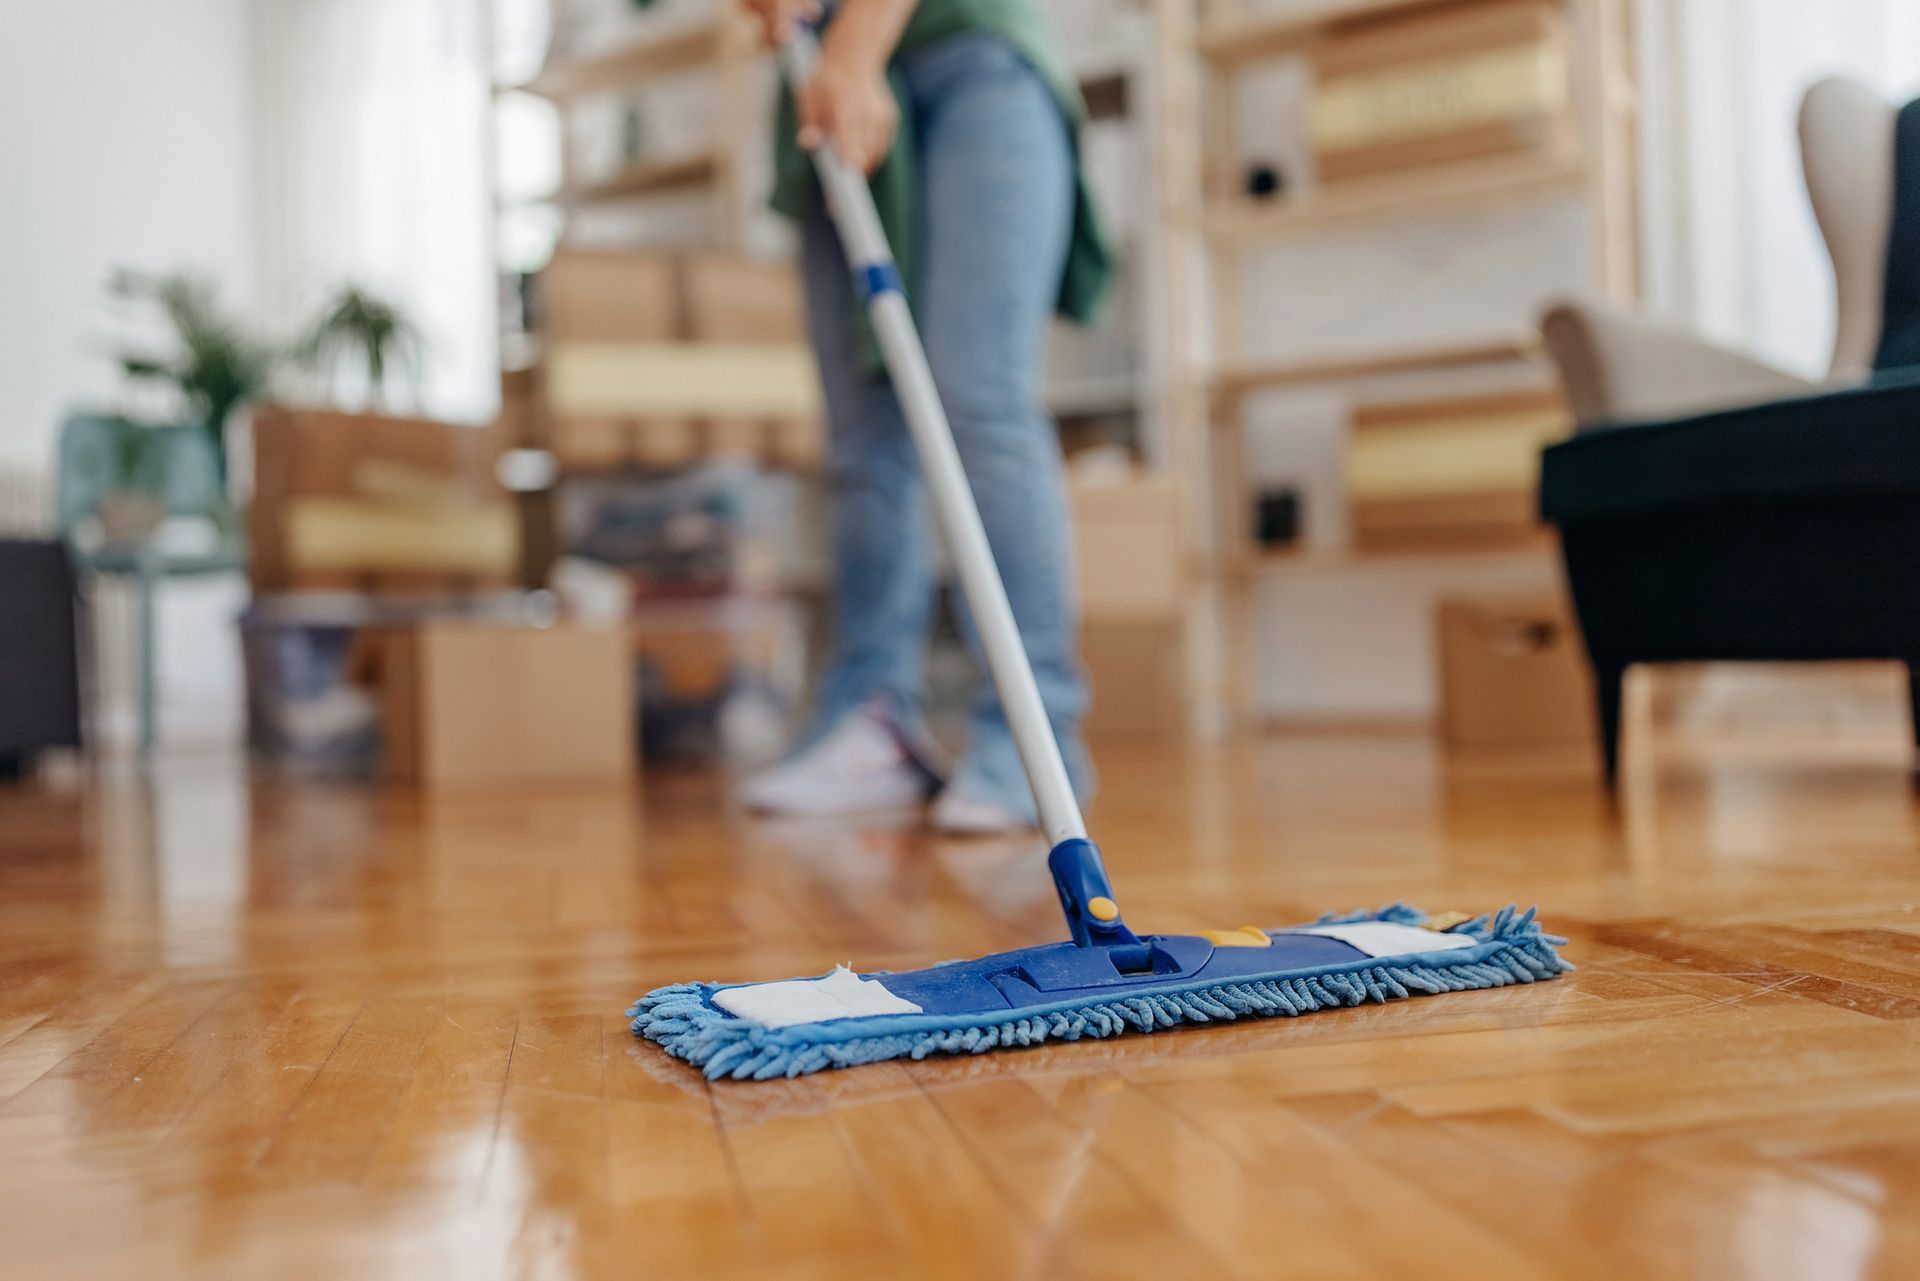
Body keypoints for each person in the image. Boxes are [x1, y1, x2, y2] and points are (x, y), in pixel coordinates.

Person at [737, 0, 1113, 833]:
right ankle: (871, 724)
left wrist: (857, 43)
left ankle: (1031, 738)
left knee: (980, 399)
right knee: (863, 437)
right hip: (826, 76)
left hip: (973, 55)